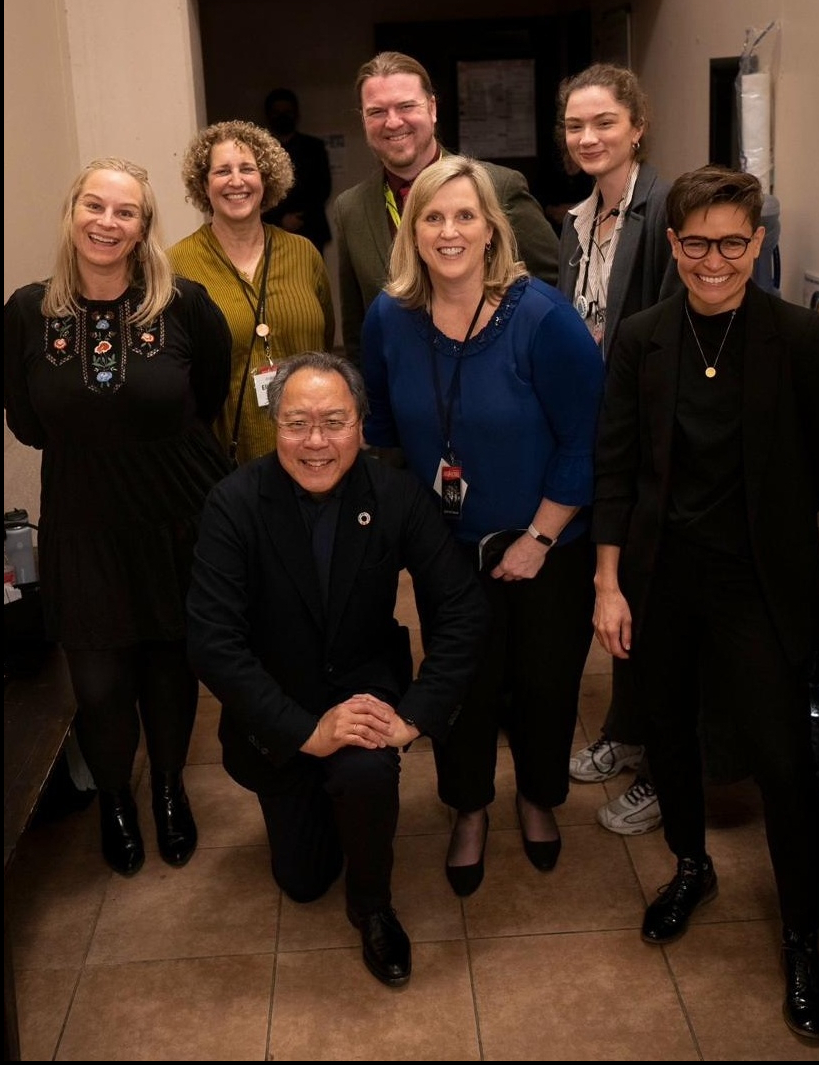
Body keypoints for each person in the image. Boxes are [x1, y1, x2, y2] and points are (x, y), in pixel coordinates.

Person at [591, 165, 819, 1043]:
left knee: (782, 761)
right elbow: (615, 468)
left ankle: (802, 933)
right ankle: (692, 866)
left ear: (758, 244)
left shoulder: (794, 340)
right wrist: (608, 583)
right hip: (660, 582)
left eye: (732, 242)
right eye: (695, 242)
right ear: (672, 245)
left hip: (760, 587)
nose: (713, 259)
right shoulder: (643, 339)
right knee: (669, 738)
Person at [185, 352, 490, 988]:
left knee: (367, 767)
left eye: (334, 422)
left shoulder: (395, 495)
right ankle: (323, 803)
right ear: (275, 427)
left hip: (364, 688)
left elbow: (462, 606)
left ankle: (374, 907)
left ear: (361, 425)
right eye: (297, 424)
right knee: (302, 881)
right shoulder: (233, 504)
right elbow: (215, 643)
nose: (316, 442)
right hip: (278, 706)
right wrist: (305, 731)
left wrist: (414, 715)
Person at [360, 155, 605, 896]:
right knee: (460, 683)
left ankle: (537, 798)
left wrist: (538, 539)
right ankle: (468, 808)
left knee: (543, 682)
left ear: (493, 229)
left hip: (545, 544)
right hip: (447, 548)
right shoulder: (388, 317)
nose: (449, 230)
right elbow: (380, 427)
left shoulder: (543, 319)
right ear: (412, 230)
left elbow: (586, 438)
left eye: (466, 215)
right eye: (433, 216)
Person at [3, 157, 233, 877]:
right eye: (94, 206)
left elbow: (210, 400)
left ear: (143, 227)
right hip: (83, 521)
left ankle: (167, 791)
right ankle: (115, 800)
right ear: (73, 215)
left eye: (125, 211)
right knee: (99, 685)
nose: (107, 222)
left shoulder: (187, 304)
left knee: (170, 665)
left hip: (177, 518)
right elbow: (26, 421)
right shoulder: (27, 311)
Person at [556, 63, 680, 837]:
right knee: (620, 596)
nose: (588, 137)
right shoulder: (575, 221)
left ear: (637, 126)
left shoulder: (664, 209)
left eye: (603, 122)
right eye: (575, 126)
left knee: (656, 606)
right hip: (599, 438)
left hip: (651, 442)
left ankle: (667, 767)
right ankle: (629, 733)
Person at [334, 50, 560, 365]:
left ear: (432, 108)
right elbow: (358, 333)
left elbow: (556, 283)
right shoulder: (350, 209)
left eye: (406, 106)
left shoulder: (498, 187)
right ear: (363, 120)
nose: (393, 121)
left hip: (497, 387)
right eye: (377, 111)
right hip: (403, 400)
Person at [168, 120, 335, 465]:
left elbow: (325, 349)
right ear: (203, 184)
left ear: (266, 179)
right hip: (221, 461)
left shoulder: (304, 253)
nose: (236, 181)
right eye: (222, 171)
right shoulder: (176, 265)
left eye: (248, 168)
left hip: (313, 452)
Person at [260, 87, 333, 255]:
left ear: (296, 113)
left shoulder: (314, 147)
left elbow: (323, 188)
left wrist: (300, 217)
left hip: (311, 228)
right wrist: (280, 219)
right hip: (270, 229)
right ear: (268, 115)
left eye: (287, 112)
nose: (283, 116)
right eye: (277, 112)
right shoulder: (259, 152)